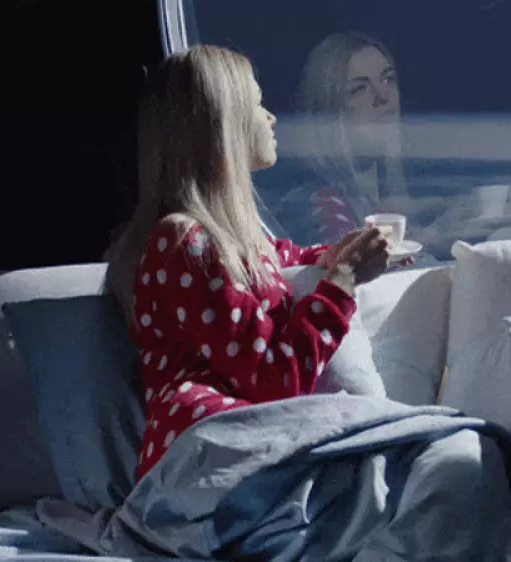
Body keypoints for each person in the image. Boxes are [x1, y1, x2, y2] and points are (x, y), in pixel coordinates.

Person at [103, 45, 390, 480]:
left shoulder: (238, 244)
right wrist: (342, 281)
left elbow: (288, 258)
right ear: (224, 126)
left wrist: (333, 255)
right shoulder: (183, 242)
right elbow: (275, 380)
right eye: (257, 104)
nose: (271, 117)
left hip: (251, 445)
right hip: (212, 456)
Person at [276, 32, 409, 245]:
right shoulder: (323, 206)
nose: (382, 96)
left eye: (388, 79)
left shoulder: (378, 194)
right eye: (360, 89)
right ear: (330, 109)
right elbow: (352, 262)